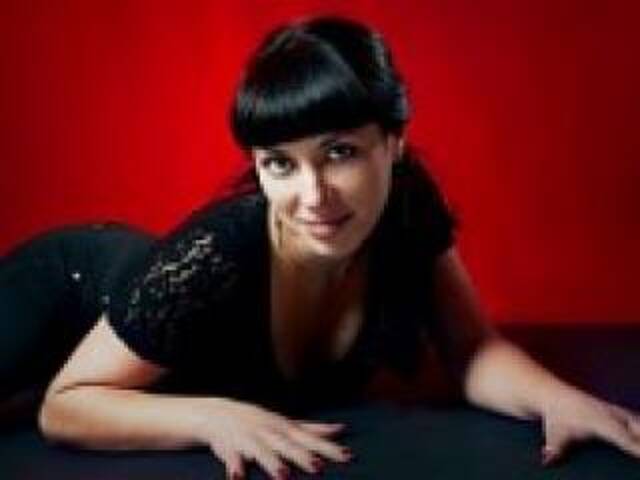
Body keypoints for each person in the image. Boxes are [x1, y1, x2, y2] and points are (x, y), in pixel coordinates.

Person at [0, 15, 637, 480]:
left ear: (394, 143)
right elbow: (66, 407)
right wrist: (216, 417)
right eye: (280, 163)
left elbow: (470, 350)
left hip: (138, 319)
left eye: (341, 152)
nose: (313, 196)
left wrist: (558, 398)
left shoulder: (407, 210)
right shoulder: (218, 252)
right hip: (67, 289)